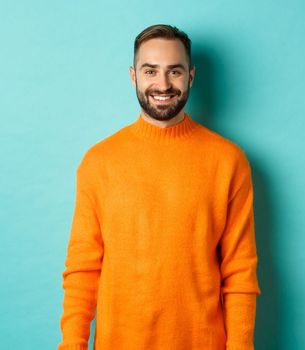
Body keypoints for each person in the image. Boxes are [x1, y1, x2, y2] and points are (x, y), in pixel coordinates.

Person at [58, 24, 261, 350]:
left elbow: (239, 271)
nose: (163, 84)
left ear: (191, 76)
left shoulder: (228, 161)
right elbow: (83, 268)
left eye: (175, 71)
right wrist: (72, 345)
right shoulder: (99, 161)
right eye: (150, 71)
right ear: (133, 75)